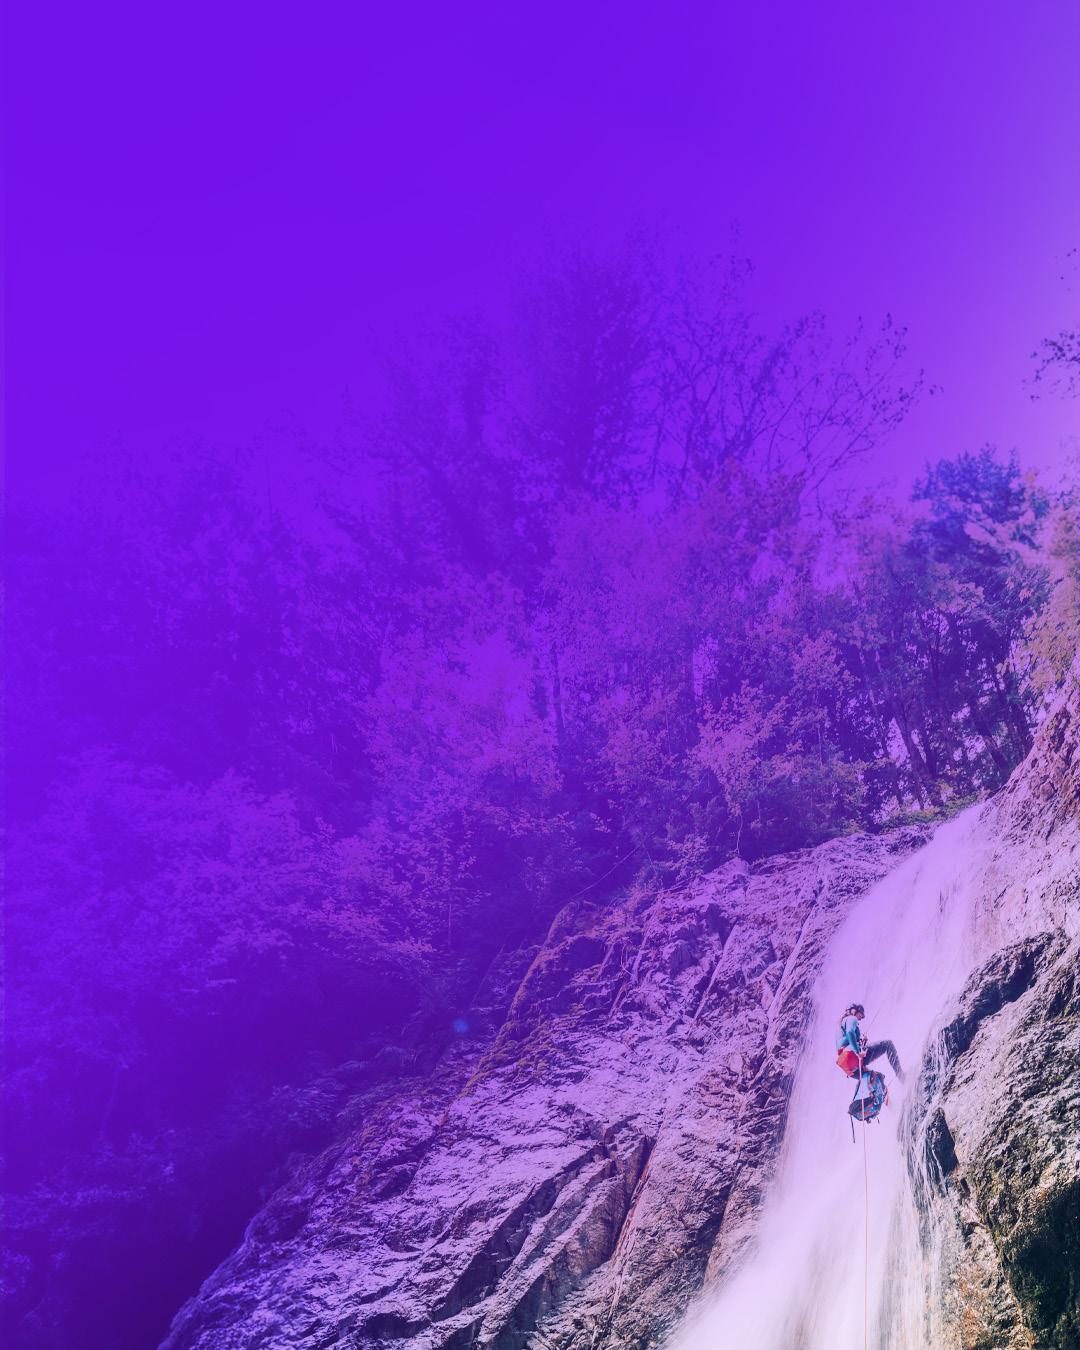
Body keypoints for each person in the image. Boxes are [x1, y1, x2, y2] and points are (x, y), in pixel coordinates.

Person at [835, 1002, 904, 1125]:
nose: (860, 1019)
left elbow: (843, 1045)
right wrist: (858, 1052)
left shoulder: (839, 1029)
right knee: (888, 1045)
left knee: (876, 1080)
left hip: (849, 1067)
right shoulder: (851, 1019)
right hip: (853, 1055)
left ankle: (895, 1112)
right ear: (854, 1011)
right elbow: (850, 1032)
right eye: (860, 1015)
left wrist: (861, 1042)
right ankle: (902, 1077)